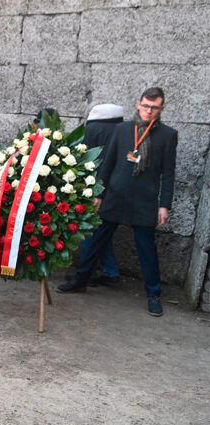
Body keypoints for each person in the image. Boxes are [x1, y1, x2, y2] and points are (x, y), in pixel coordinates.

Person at [58, 87, 177, 317]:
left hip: (144, 201)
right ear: (138, 103)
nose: (149, 111)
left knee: (147, 249)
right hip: (114, 195)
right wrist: (99, 193)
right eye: (145, 106)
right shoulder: (122, 129)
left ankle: (153, 294)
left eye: (154, 107)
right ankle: (81, 279)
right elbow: (109, 161)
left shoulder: (168, 135)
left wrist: (165, 205)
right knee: (96, 241)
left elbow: (169, 173)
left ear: (161, 108)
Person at [78, 103, 125, 286]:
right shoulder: (123, 130)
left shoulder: (92, 129)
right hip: (117, 187)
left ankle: (85, 272)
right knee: (102, 231)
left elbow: (83, 155)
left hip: (95, 186)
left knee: (92, 230)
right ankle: (110, 270)